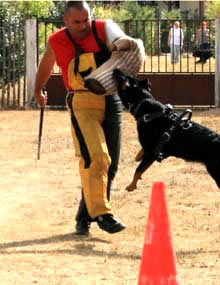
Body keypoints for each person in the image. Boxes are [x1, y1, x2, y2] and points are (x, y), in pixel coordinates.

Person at [34, 1, 127, 235]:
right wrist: (38, 89)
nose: (84, 25)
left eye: (86, 19)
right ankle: (103, 215)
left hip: (111, 99)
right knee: (96, 157)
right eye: (77, 22)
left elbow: (126, 50)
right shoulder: (57, 40)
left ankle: (83, 217)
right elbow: (47, 64)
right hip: (82, 102)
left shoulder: (103, 29)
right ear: (65, 20)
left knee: (110, 165)